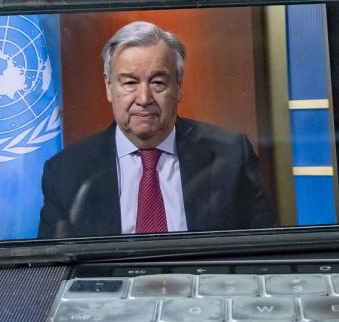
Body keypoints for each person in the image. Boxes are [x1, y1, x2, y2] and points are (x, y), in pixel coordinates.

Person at [37, 21, 275, 239]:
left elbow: (264, 251)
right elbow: (52, 269)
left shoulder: (231, 156)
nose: (144, 98)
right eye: (130, 82)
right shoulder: (65, 172)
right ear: (109, 87)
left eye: (158, 82)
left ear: (178, 87)